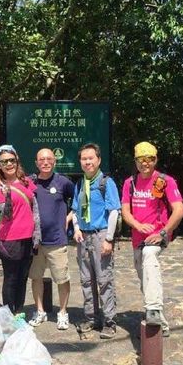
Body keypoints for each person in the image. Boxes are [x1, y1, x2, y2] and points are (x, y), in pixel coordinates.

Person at [121, 142, 183, 337]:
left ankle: (154, 309)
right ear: (136, 161)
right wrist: (137, 225)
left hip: (158, 237)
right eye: (141, 159)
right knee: (145, 281)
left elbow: (179, 210)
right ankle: (161, 323)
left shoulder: (165, 181)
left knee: (149, 256)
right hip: (137, 238)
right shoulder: (129, 182)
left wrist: (163, 233)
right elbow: (125, 211)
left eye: (149, 159)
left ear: (155, 160)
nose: (145, 163)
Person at [71, 143, 121, 339]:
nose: (87, 162)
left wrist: (109, 239)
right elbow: (75, 210)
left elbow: (114, 212)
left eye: (91, 158)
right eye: (84, 159)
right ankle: (91, 318)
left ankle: (109, 321)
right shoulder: (80, 184)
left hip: (100, 235)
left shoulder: (106, 182)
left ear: (98, 160)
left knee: (104, 280)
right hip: (83, 236)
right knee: (86, 280)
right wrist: (76, 228)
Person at [28, 148, 74, 330]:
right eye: (42, 159)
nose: (45, 162)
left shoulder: (63, 182)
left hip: (57, 240)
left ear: (54, 161)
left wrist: (68, 218)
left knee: (62, 278)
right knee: (36, 277)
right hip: (36, 242)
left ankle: (63, 312)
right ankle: (40, 311)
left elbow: (78, 202)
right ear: (36, 162)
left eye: (49, 159)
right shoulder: (30, 182)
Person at [0, 145, 40, 314]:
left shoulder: (27, 182)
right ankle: (8, 314)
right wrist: (7, 195)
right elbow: (6, 214)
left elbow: (35, 209)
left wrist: (37, 233)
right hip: (9, 240)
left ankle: (19, 312)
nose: (9, 164)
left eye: (11, 160)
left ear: (16, 161)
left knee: (23, 278)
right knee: (11, 279)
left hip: (28, 238)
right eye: (4, 161)